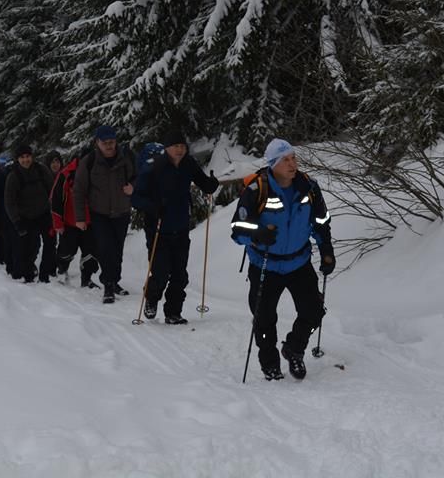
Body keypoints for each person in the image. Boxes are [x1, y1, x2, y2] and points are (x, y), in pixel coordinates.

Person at [230, 139, 335, 381]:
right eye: (285, 159)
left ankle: (294, 350)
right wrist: (256, 233)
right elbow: (237, 229)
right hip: (265, 262)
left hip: (299, 262)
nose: (292, 163)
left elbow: (321, 222)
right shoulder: (257, 189)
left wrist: (327, 250)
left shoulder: (309, 187)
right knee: (264, 319)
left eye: (293, 158)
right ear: (273, 164)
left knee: (314, 310)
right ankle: (270, 364)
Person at [131, 131, 218, 325]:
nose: (179, 150)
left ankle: (173, 312)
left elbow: (203, 182)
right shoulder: (154, 168)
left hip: (180, 226)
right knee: (161, 272)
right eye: (175, 146)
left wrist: (211, 185)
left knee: (180, 274)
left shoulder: (188, 164)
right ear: (167, 148)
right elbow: (136, 198)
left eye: (182, 146)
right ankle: (151, 299)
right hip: (158, 228)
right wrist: (154, 207)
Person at [73, 125, 136, 304]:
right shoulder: (89, 161)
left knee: (117, 250)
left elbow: (138, 177)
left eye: (112, 142)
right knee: (105, 248)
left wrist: (133, 187)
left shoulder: (127, 157)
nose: (109, 146)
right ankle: (108, 285)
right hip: (99, 213)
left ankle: (114, 281)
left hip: (122, 211)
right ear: (97, 143)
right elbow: (78, 190)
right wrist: (79, 218)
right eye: (105, 143)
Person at [4, 145, 56, 282]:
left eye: (28, 156)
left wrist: (54, 210)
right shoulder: (13, 176)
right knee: (30, 247)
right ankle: (27, 273)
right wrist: (16, 221)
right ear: (18, 159)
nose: (26, 160)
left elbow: (52, 190)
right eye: (22, 157)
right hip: (25, 217)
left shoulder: (41, 170)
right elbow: (9, 201)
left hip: (44, 214)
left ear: (32, 157)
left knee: (50, 243)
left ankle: (45, 274)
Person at [50, 152, 101, 289]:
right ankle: (61, 270)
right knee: (67, 251)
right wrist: (58, 223)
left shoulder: (98, 172)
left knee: (90, 253)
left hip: (91, 222)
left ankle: (87, 279)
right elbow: (55, 200)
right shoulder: (66, 174)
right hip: (69, 222)